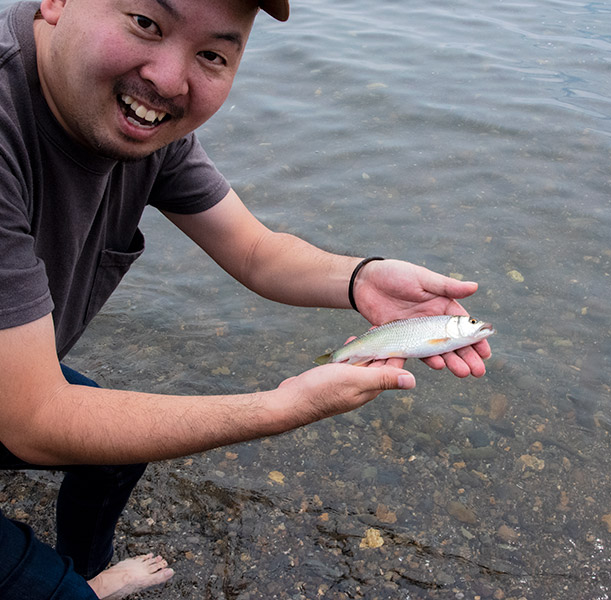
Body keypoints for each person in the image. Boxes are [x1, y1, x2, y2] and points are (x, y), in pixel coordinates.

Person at [0, 0, 492, 598]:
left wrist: (361, 277)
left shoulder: (140, 121)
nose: (168, 78)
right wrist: (281, 408)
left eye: (211, 54)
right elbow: (33, 420)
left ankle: (81, 569)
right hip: (20, 403)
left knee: (113, 454)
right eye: (146, 23)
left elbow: (256, 252)